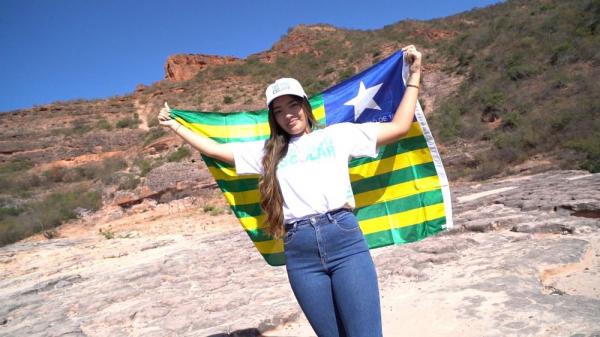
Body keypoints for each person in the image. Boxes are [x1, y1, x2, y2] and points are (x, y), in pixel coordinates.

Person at [158, 45, 422, 337]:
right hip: (300, 251)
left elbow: (399, 126)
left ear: (305, 105)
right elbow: (218, 151)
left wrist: (414, 75)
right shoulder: (268, 153)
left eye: (293, 105)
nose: (288, 115)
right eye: (279, 111)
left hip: (344, 241)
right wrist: (176, 126)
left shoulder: (338, 135)